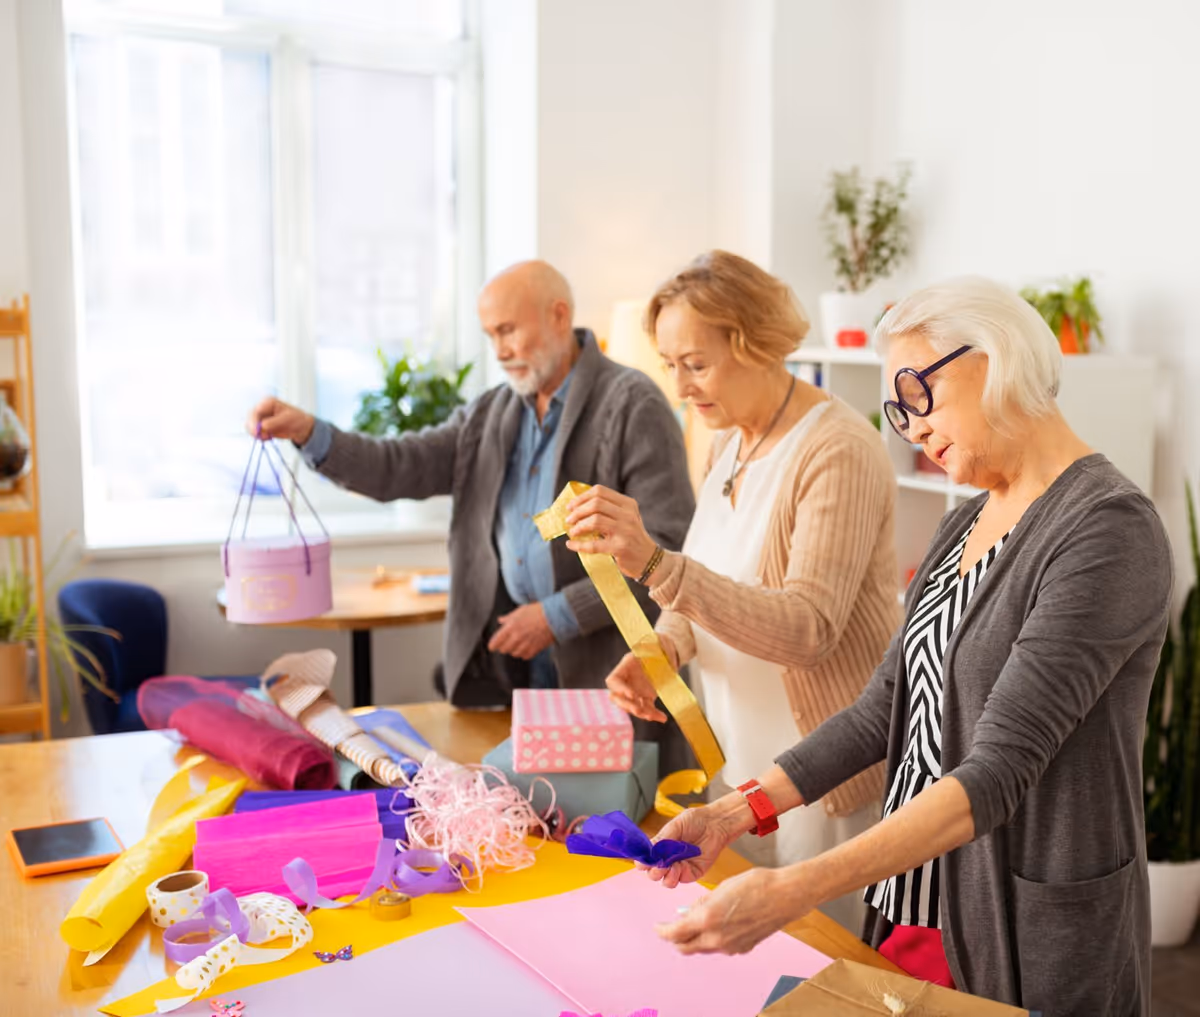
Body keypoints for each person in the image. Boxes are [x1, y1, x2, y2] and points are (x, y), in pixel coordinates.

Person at [639, 276, 1172, 1017]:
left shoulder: (1107, 529)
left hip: (1026, 920)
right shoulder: (965, 523)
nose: (910, 428)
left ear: (992, 360)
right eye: (897, 408)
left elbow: (993, 774)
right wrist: (738, 812)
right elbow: (880, 710)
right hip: (920, 906)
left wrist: (792, 891)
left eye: (918, 393)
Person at [565, 250, 899, 929]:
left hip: (825, 788)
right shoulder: (728, 444)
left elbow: (809, 630)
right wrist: (661, 650)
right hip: (741, 773)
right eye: (672, 366)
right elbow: (713, 578)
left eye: (697, 363)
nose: (682, 388)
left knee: (821, 972)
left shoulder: (837, 449)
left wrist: (653, 563)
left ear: (757, 343)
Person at [248, 260, 694, 722]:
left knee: (609, 795)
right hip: (516, 668)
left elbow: (668, 549)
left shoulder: (634, 404)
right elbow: (396, 466)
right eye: (490, 336)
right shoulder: (489, 412)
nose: (499, 351)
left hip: (609, 671)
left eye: (508, 330)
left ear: (559, 316)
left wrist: (555, 616)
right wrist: (307, 432)